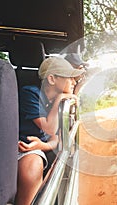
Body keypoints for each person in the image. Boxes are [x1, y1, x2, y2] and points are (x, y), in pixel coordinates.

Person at [14, 57, 85, 205]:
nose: (74, 82)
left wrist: (42, 146)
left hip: (34, 146)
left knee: (36, 162)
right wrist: (60, 98)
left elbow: (56, 138)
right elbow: (48, 127)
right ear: (52, 79)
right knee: (33, 165)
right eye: (70, 78)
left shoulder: (57, 104)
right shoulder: (30, 93)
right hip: (20, 145)